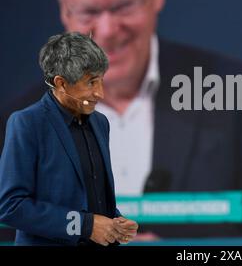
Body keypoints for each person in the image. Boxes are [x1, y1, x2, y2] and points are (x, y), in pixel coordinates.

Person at [0, 0, 242, 238]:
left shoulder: (234, 89)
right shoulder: (20, 121)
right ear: (63, 3)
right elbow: (12, 219)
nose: (106, 30)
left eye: (123, 5)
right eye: (88, 10)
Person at [0, 32, 138, 246]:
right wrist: (86, 225)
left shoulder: (100, 123)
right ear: (61, 83)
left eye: (101, 81)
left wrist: (114, 222)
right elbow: (11, 206)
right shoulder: (27, 123)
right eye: (91, 83)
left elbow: (92, 199)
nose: (100, 93)